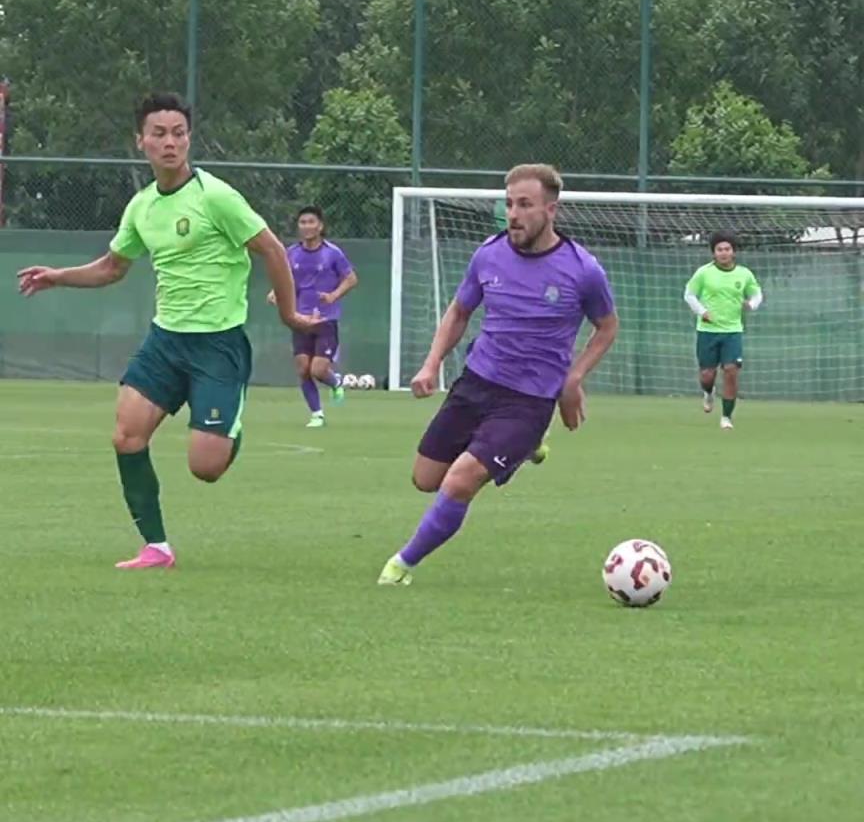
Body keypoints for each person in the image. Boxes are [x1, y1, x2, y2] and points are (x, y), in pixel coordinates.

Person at [17, 92, 318, 570]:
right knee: (126, 435)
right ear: (141, 141)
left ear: (189, 139)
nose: (170, 142)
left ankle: (228, 424)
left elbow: (273, 250)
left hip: (218, 343)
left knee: (206, 467)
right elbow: (113, 267)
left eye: (179, 133)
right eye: (159, 133)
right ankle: (156, 547)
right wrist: (59, 276)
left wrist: (289, 314)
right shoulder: (142, 206)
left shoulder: (216, 197)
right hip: (166, 341)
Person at [377, 163, 619, 586]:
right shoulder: (488, 254)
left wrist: (573, 379)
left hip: (528, 401)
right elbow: (459, 311)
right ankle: (522, 450)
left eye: (525, 205)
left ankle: (401, 565)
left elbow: (607, 326)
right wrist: (432, 363)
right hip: (476, 382)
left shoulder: (582, 269)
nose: (513, 214)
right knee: (425, 479)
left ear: (550, 210)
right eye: (508, 204)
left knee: (460, 481)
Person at [267, 205, 358, 428]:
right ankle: (317, 414)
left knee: (317, 370)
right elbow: (284, 280)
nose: (307, 226)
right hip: (300, 319)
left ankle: (335, 382)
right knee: (302, 369)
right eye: (303, 222)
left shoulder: (332, 253)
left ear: (320, 226)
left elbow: (351, 279)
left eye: (311, 222)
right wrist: (275, 293)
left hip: (326, 319)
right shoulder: (291, 253)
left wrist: (333, 295)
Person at [684, 231, 763, 430]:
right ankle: (708, 392)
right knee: (707, 375)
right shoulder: (704, 273)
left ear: (733, 252)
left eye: (727, 249)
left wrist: (751, 304)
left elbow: (757, 294)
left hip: (733, 331)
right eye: (719, 249)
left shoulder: (744, 274)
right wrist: (702, 312)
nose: (723, 253)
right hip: (707, 331)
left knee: (731, 371)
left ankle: (726, 417)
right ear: (714, 253)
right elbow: (689, 295)